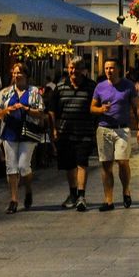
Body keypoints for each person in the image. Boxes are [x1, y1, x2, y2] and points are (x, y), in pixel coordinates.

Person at [90, 59, 139, 211]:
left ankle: (126, 190)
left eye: (112, 68)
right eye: (106, 68)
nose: (109, 71)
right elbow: (92, 108)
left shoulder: (128, 85)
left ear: (118, 69)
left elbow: (137, 108)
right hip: (104, 129)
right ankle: (108, 200)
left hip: (122, 129)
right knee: (106, 165)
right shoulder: (100, 87)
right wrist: (101, 110)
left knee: (122, 162)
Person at [0, 63, 47, 214]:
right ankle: (14, 199)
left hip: (27, 133)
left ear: (26, 75)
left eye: (20, 73)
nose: (17, 75)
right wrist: (7, 110)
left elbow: (41, 113)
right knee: (11, 167)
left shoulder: (34, 92)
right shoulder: (5, 92)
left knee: (24, 166)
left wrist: (27, 109)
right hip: (9, 132)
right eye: (15, 73)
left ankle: (28, 188)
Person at [50, 57, 97, 212]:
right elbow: (53, 109)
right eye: (70, 68)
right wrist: (54, 129)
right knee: (69, 165)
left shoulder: (91, 87)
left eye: (76, 68)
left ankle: (81, 195)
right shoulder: (61, 86)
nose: (72, 71)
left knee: (82, 163)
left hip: (84, 132)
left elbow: (96, 107)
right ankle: (73, 194)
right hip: (65, 132)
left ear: (83, 70)